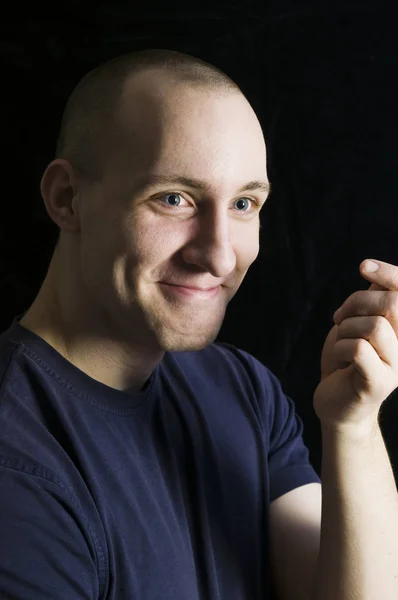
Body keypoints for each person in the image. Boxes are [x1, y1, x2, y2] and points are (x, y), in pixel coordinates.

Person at [0, 49, 398, 600]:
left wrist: (353, 426)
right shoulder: (18, 463)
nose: (218, 255)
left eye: (242, 204)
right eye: (174, 199)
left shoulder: (242, 390)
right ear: (68, 199)